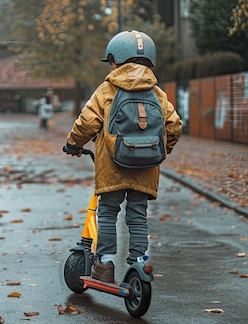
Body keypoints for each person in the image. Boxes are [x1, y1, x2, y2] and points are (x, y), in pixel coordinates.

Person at [63, 30, 182, 283]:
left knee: (107, 212)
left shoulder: (107, 89)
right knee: (138, 214)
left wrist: (73, 143)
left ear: (115, 60)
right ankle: (139, 263)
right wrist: (161, 150)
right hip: (147, 166)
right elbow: (174, 126)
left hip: (112, 164)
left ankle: (105, 264)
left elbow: (87, 121)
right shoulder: (157, 93)